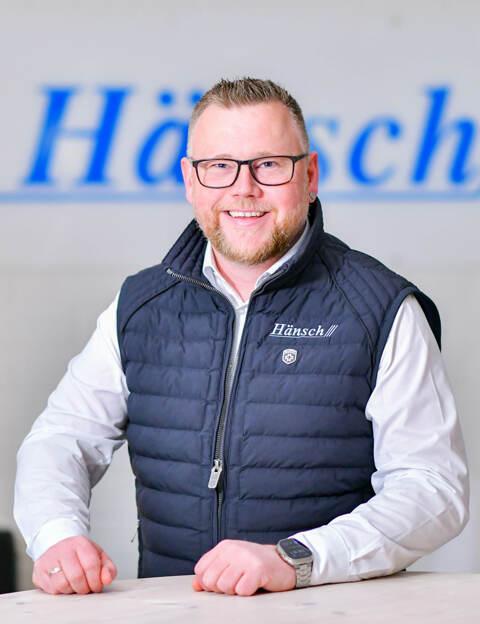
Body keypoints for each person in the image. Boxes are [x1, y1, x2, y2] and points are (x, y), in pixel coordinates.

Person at [15, 78, 469, 597]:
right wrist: (56, 535)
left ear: (310, 175)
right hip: (175, 614)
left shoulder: (380, 308)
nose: (243, 188)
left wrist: (297, 558)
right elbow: (61, 439)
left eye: (269, 164)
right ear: (190, 180)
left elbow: (432, 487)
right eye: (219, 166)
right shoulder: (140, 306)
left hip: (330, 613)